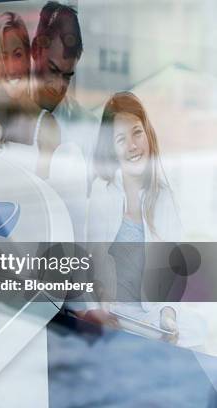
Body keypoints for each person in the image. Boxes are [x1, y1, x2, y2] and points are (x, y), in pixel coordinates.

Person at [87, 91, 183, 343]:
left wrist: (168, 316)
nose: (132, 145)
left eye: (137, 132)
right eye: (121, 139)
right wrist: (97, 310)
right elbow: (87, 264)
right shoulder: (101, 191)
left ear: (147, 133)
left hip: (150, 325)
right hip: (112, 323)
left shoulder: (164, 197)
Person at [0, 12, 60, 179]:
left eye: (17, 55)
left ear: (28, 58)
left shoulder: (45, 125)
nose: (11, 68)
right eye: (3, 57)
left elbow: (47, 195)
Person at [30, 1, 98, 177]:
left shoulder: (88, 127)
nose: (59, 86)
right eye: (53, 70)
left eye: (68, 76)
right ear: (35, 51)